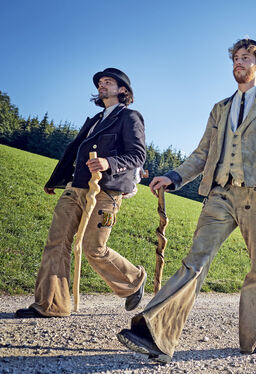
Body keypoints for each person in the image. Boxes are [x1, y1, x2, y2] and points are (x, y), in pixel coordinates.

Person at [117, 38, 256, 364]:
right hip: (220, 195)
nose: (238, 63)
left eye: (245, 58)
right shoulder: (220, 109)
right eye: (235, 58)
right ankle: (155, 334)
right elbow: (203, 153)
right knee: (194, 260)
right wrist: (174, 176)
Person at [15, 68, 147, 318]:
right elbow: (74, 151)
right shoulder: (95, 120)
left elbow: (138, 155)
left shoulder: (130, 117)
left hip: (105, 191)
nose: (101, 85)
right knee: (57, 243)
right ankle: (51, 305)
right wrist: (56, 179)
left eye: (108, 82)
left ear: (122, 90)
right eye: (100, 82)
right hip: (74, 188)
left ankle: (133, 280)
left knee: (93, 248)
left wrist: (109, 162)